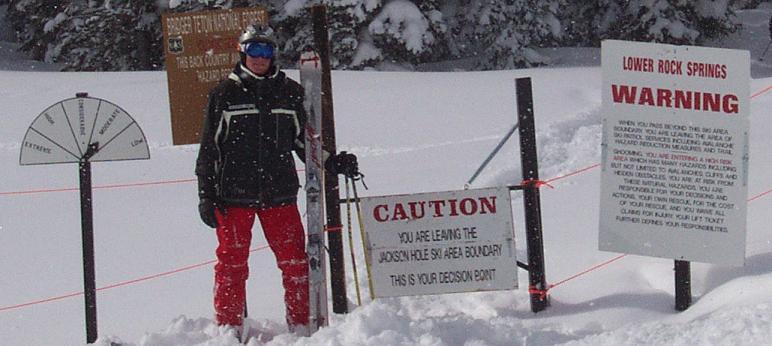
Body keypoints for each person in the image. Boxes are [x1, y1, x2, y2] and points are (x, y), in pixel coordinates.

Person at [195, 23, 358, 334]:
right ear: (242, 52)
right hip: (233, 195)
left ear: (273, 54)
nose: (260, 57)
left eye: (265, 50)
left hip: (278, 193)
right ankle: (229, 330)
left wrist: (333, 163)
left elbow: (304, 143)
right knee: (231, 265)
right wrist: (206, 193)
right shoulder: (224, 94)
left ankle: (300, 327)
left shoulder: (290, 93)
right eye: (253, 50)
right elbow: (209, 150)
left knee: (295, 263)